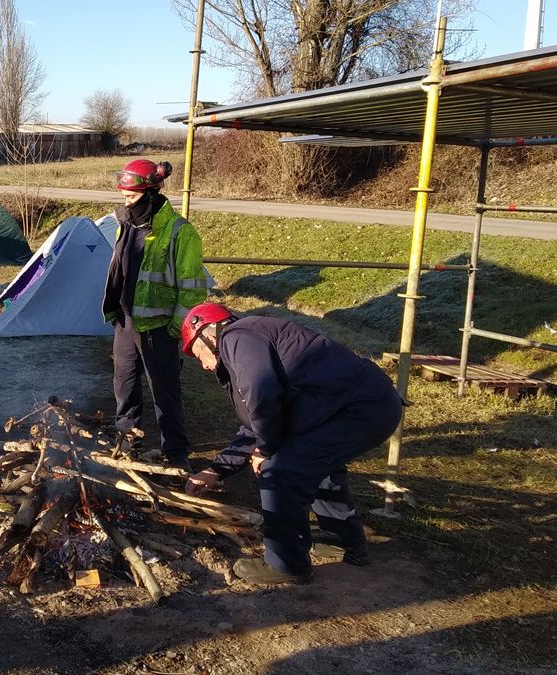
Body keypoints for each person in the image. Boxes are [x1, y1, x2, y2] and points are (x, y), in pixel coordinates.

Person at [179, 302, 403, 585]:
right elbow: (254, 422)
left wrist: (266, 450)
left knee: (280, 469)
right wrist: (216, 471)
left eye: (197, 353)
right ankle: (343, 542)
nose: (202, 364)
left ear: (208, 335)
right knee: (315, 464)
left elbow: (263, 398)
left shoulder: (237, 338)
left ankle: (286, 562)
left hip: (361, 410)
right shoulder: (248, 338)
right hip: (367, 406)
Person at [101, 159, 208, 473]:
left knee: (165, 390)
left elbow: (192, 288)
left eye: (131, 197)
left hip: (160, 327)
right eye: (124, 197)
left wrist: (178, 328)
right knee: (124, 384)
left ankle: (175, 452)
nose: (126, 203)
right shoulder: (127, 224)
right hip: (125, 320)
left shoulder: (180, 232)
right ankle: (126, 442)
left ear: (150, 194)